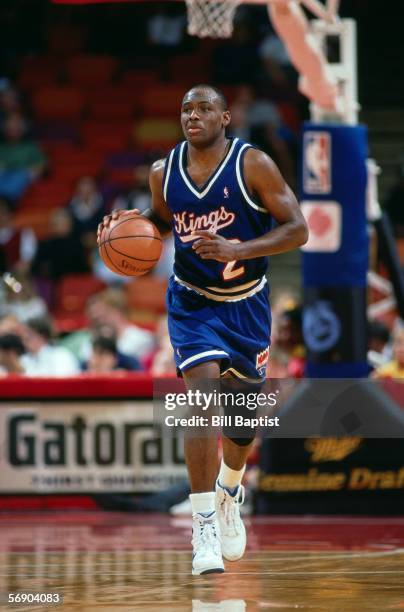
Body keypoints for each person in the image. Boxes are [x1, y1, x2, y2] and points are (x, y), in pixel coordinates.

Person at [98, 84, 308, 576]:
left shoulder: (252, 164)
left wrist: (239, 250)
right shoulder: (162, 172)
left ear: (225, 117)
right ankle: (203, 525)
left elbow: (297, 228)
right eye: (186, 109)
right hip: (192, 303)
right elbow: (159, 221)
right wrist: (124, 228)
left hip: (247, 304)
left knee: (241, 423)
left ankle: (230, 489)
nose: (193, 116)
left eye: (204, 108)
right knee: (199, 397)